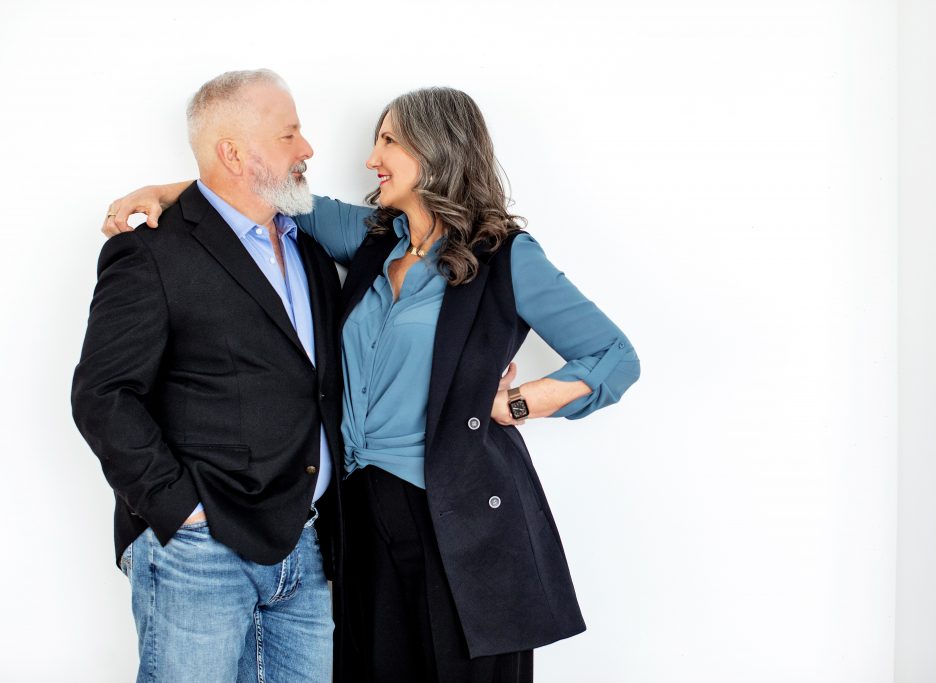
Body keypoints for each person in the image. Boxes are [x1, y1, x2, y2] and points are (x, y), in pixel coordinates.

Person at [104, 86, 640, 683]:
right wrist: (162, 191)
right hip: (358, 520)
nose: (371, 158)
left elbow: (614, 356)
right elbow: (253, 189)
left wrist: (520, 400)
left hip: (458, 521)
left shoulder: (506, 256)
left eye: (388, 141)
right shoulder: (370, 237)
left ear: (435, 152)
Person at [72, 69, 343, 682]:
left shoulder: (310, 249)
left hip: (306, 548)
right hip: (201, 552)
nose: (307, 149)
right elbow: (102, 395)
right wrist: (180, 508)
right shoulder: (151, 252)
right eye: (289, 133)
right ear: (234, 153)